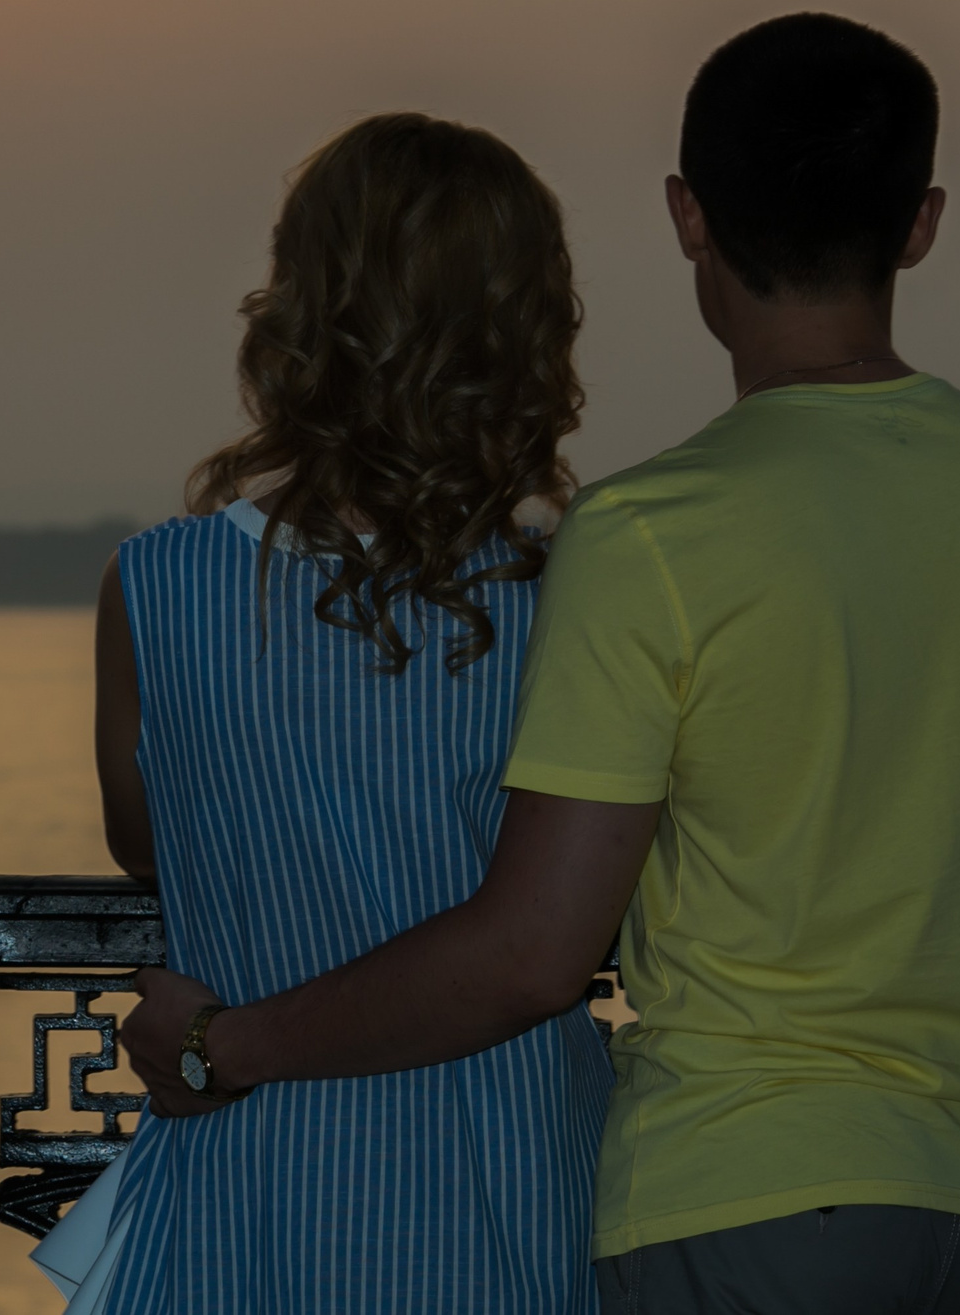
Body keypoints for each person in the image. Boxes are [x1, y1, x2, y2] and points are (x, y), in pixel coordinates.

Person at [123, 13, 960, 1314]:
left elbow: (541, 950)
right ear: (921, 220)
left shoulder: (656, 530)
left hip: (737, 1191)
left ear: (689, 217)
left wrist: (227, 1041)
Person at [90, 112, 613, 1312]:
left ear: (297, 307)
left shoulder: (157, 583)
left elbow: (147, 846)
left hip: (249, 1178)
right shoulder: (579, 596)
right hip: (511, 1186)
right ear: (528, 325)